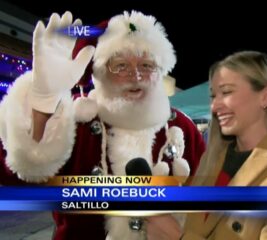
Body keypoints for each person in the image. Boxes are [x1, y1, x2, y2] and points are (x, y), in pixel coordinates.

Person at [0, 10, 205, 240]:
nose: (135, 76)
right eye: (121, 65)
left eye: (146, 65)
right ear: (100, 70)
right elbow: (15, 179)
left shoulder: (182, 128)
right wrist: (42, 105)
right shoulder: (75, 120)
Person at [145, 51, 267, 239]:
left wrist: (176, 235)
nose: (214, 106)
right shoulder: (213, 158)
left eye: (227, 92)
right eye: (214, 96)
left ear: (265, 97)